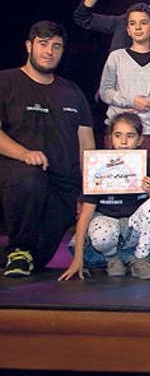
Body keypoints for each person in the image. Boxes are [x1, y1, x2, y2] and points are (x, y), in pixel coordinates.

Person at [1, 21, 96, 278]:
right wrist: (23, 153)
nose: (49, 51)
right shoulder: (6, 81)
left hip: (64, 184)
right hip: (19, 177)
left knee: (39, 259)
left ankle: (22, 254)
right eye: (43, 44)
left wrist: (86, 191)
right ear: (29, 46)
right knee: (30, 178)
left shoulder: (72, 91)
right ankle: (18, 248)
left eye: (56, 46)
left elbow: (86, 144)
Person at [59, 113, 150, 281]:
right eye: (118, 136)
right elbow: (85, 215)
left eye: (130, 136)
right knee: (102, 233)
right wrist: (77, 258)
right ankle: (112, 258)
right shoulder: (97, 166)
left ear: (140, 140)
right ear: (110, 138)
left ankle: (140, 258)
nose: (123, 142)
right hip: (107, 226)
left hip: (135, 229)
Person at [98, 3, 150, 160]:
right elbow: (105, 91)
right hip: (119, 131)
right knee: (117, 178)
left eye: (143, 23)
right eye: (133, 23)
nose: (138, 27)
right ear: (128, 30)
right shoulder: (116, 57)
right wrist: (132, 101)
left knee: (149, 179)